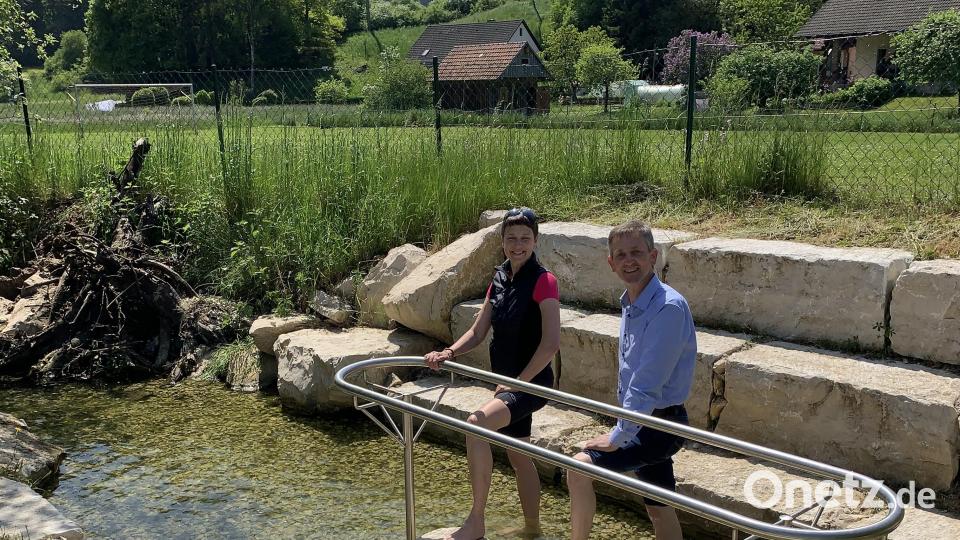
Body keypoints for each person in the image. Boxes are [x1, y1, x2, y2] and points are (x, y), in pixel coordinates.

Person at [425, 207, 561, 540]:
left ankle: (476, 522)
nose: (518, 245)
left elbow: (550, 344)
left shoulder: (544, 281)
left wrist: (516, 384)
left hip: (531, 383)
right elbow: (478, 331)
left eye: (525, 238)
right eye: (511, 238)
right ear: (502, 241)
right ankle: (533, 529)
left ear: (536, 241)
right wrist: (449, 352)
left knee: (476, 425)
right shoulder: (499, 279)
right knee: (519, 455)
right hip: (508, 383)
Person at [566, 220, 697, 540]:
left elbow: (647, 383)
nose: (629, 261)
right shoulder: (631, 302)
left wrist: (618, 436)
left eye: (636, 252)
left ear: (653, 256)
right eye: (621, 255)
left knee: (579, 468)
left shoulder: (667, 307)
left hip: (659, 425)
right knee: (659, 506)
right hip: (642, 418)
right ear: (611, 263)